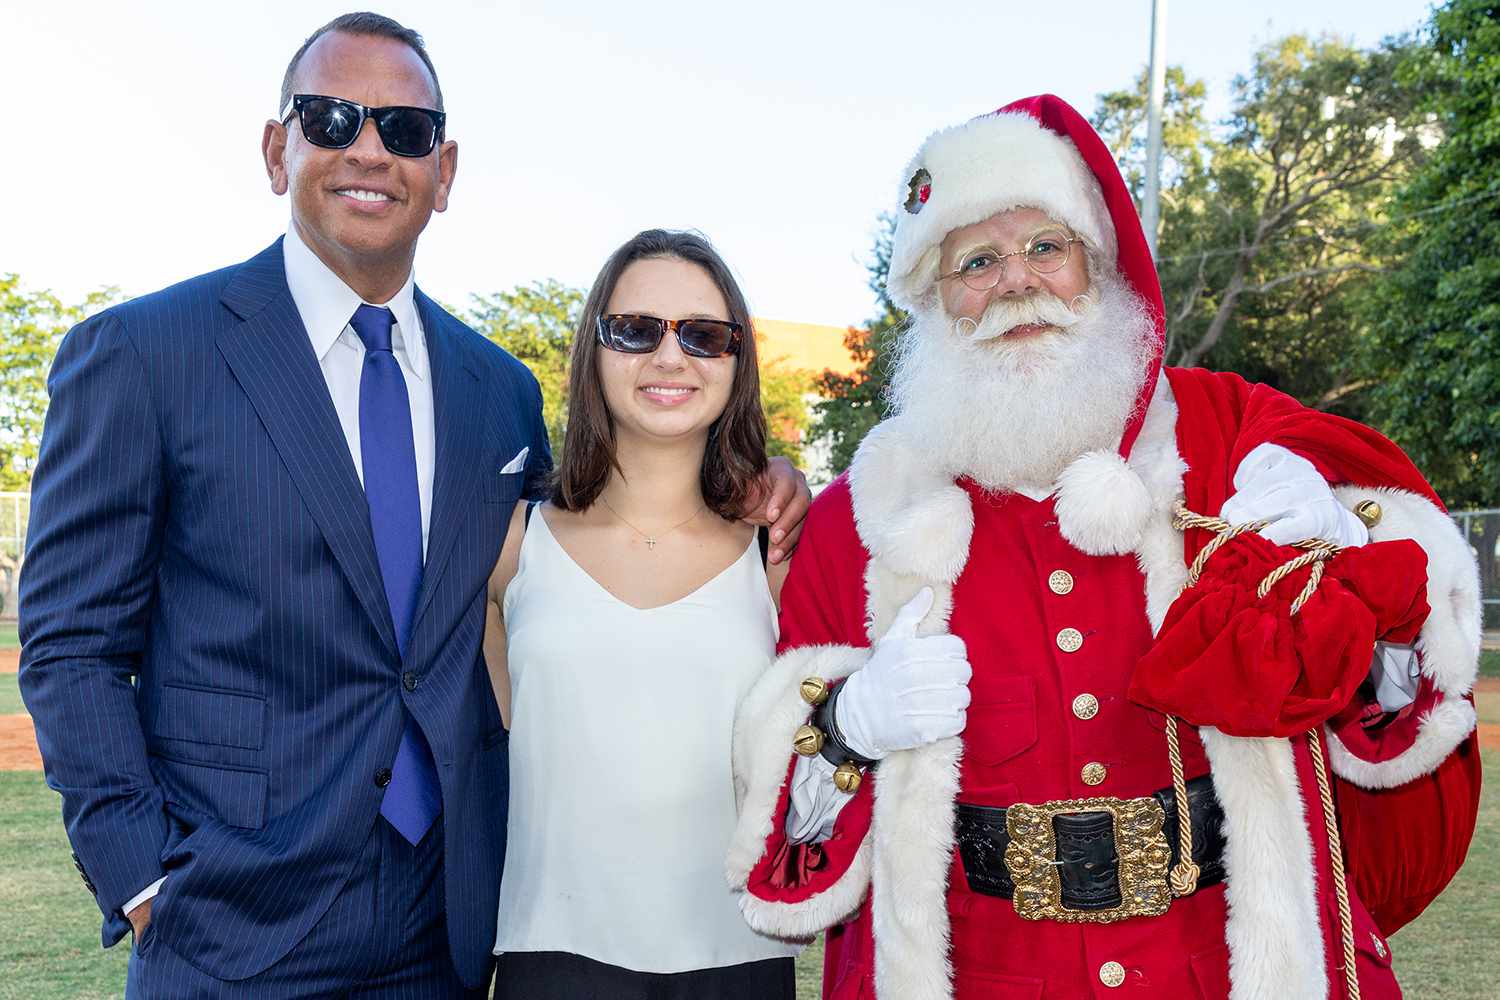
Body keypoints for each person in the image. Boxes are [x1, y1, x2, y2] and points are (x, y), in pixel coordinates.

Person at [18, 14, 807, 998]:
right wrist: (142, 876)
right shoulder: (143, 355)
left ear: (445, 170)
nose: (367, 149)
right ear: (277, 148)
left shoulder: (495, 392)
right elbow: (70, 642)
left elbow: (595, 542)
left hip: (448, 926)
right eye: (331, 116)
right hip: (229, 926)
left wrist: (770, 475)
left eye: (404, 129)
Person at [726, 94, 1482, 999]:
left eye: (1048, 246)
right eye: (977, 261)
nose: (1017, 281)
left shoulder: (1226, 435)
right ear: (934, 299)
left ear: (1101, 268)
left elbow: (1408, 625)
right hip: (981, 973)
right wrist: (848, 728)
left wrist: (1347, 544)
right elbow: (784, 826)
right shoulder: (864, 516)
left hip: (1223, 964)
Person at [485, 229, 801, 999]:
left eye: (703, 335)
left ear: (737, 360)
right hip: (547, 958)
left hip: (738, 961)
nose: (670, 358)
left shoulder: (783, 549)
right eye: (635, 330)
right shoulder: (514, 544)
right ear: (594, 348)